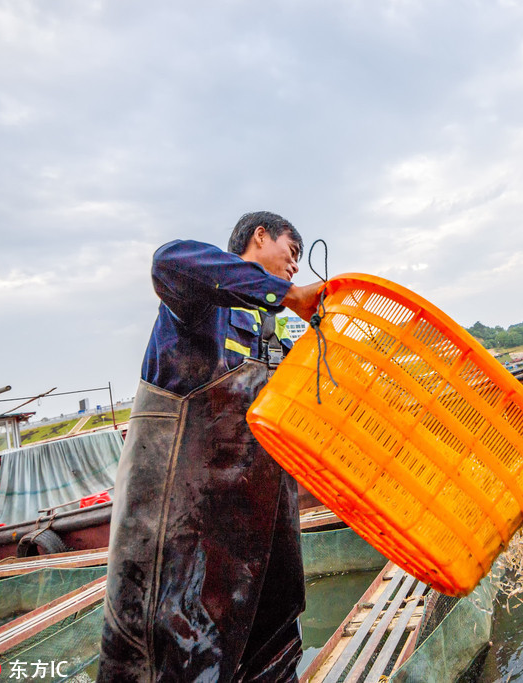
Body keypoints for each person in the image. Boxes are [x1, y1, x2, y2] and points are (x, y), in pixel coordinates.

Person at [99, 212, 325, 682]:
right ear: (260, 237)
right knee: (181, 648)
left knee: (276, 633)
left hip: (259, 541)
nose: (296, 268)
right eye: (292, 252)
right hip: (183, 535)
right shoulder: (200, 305)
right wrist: (285, 295)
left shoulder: (274, 336)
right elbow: (168, 261)